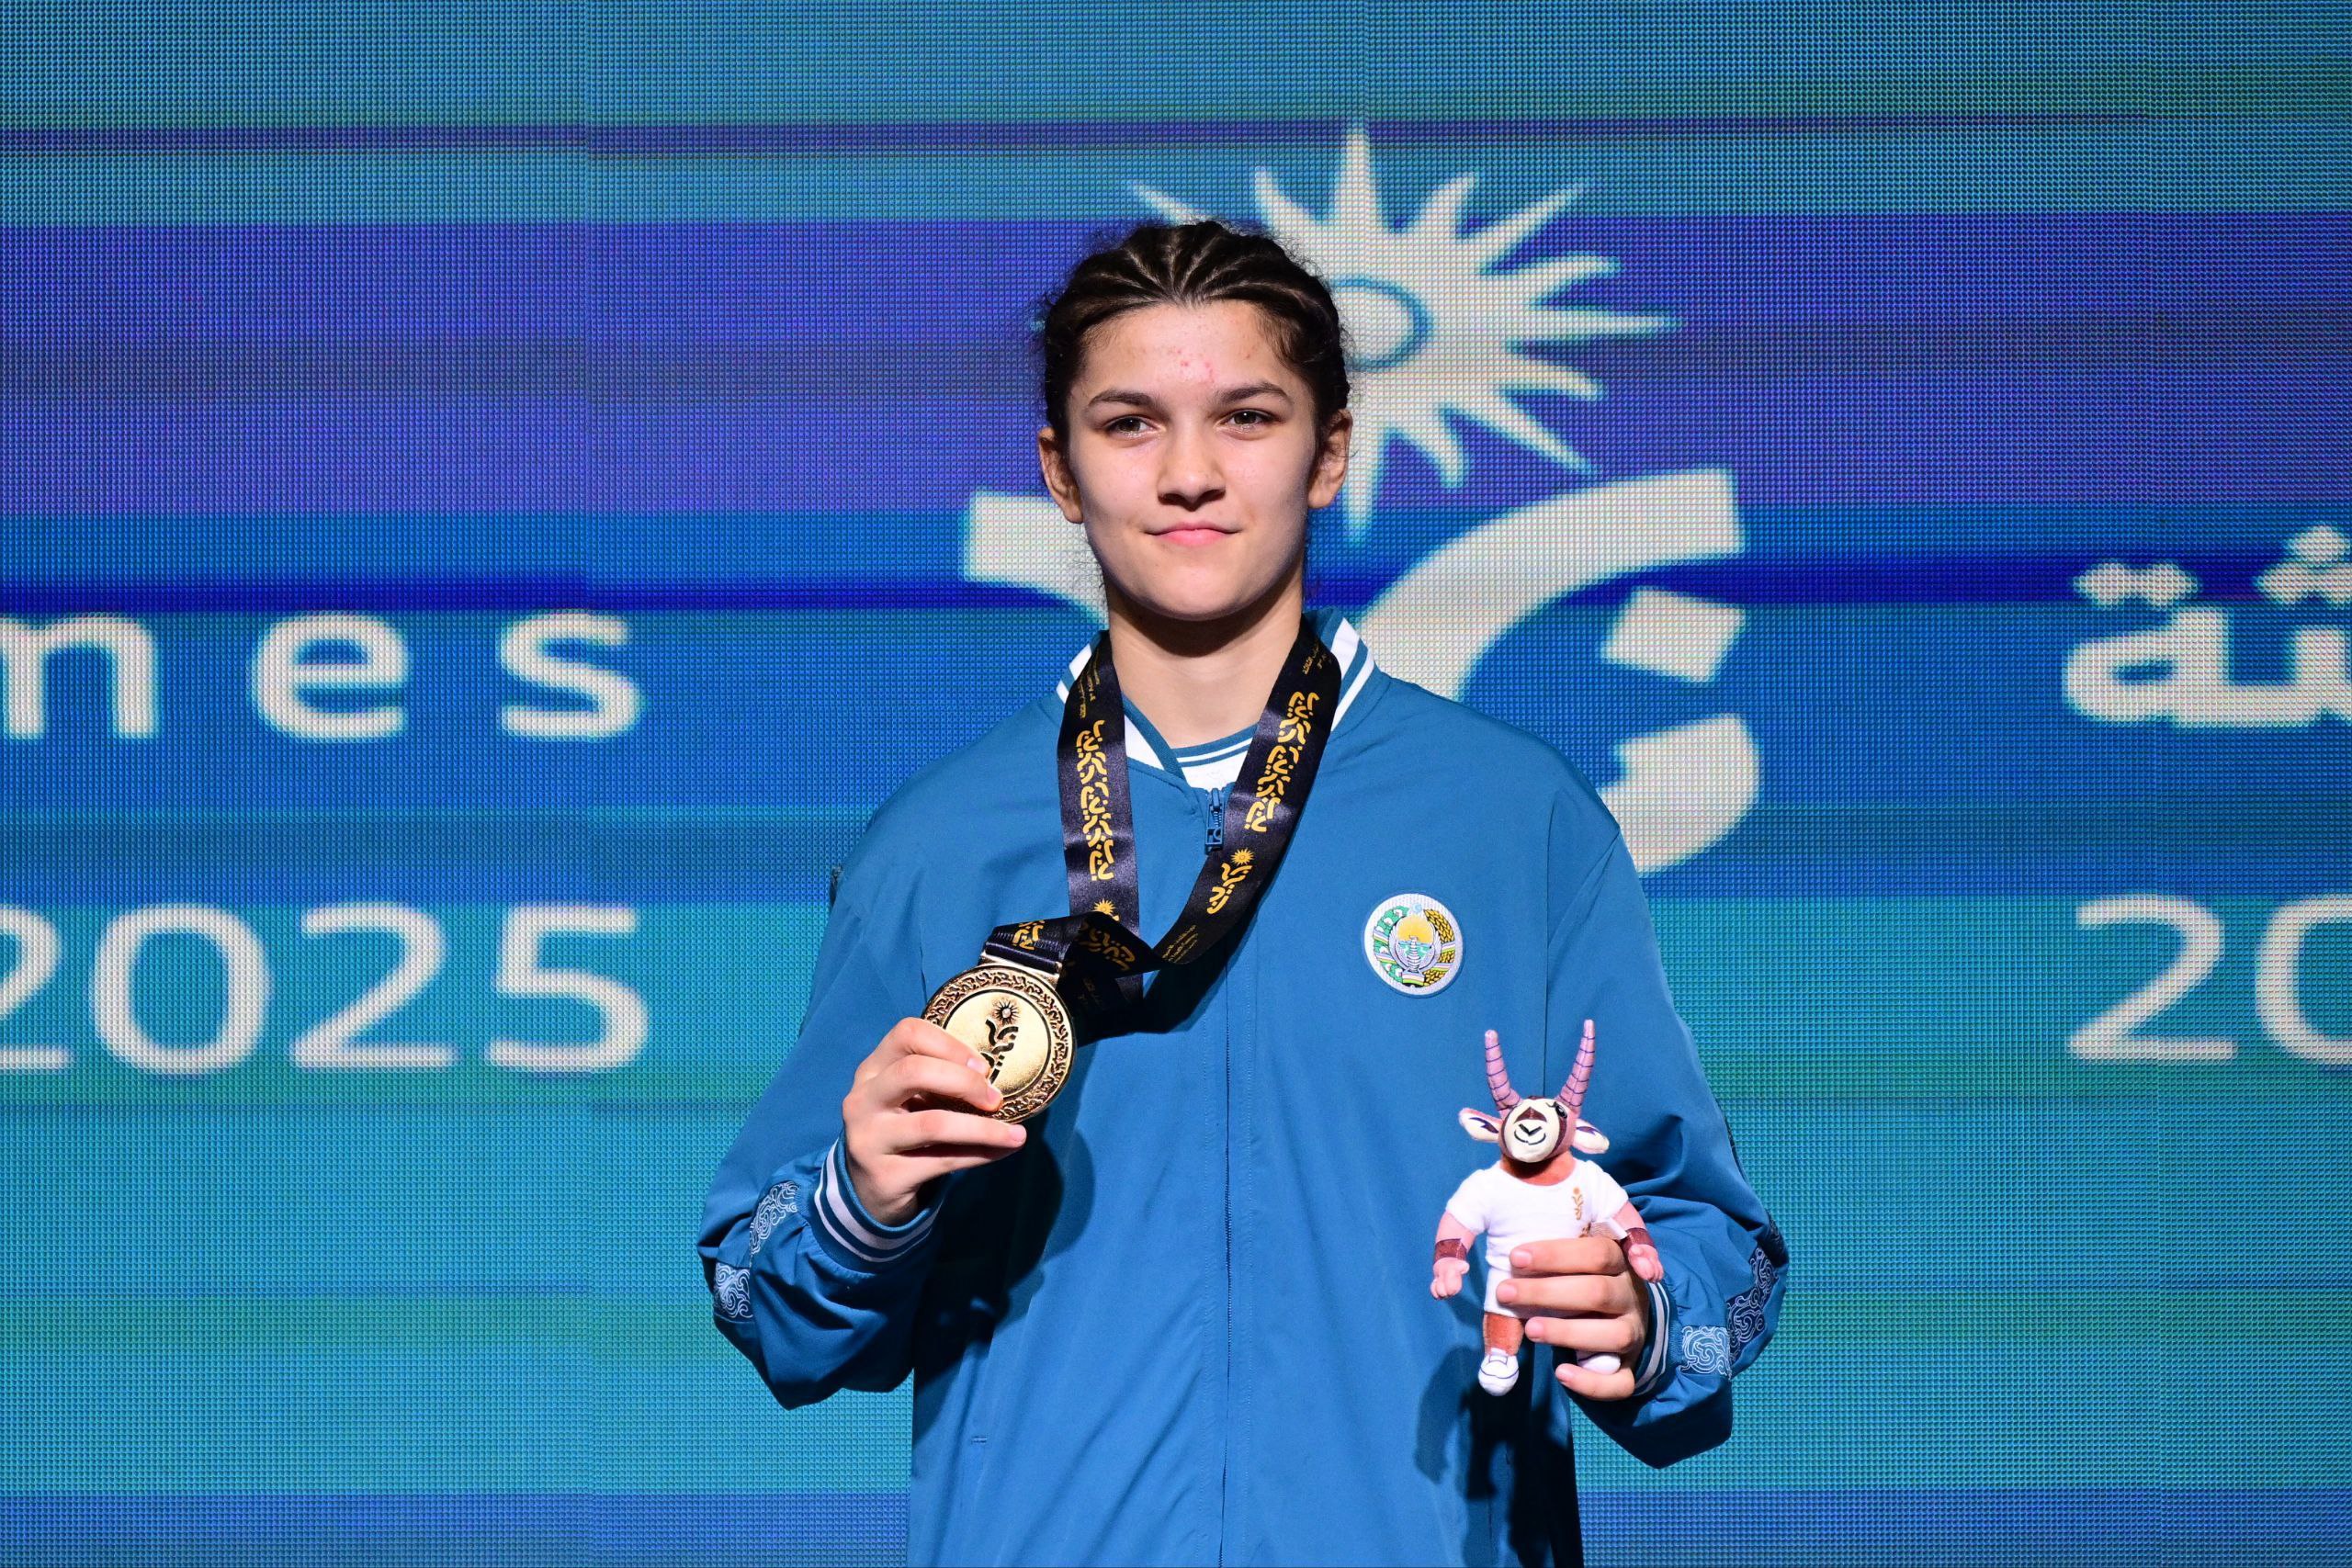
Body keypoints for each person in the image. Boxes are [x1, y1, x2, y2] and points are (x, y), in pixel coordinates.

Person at [700, 218, 1786, 1567]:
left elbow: (1711, 1238)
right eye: (1130, 424)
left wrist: (1638, 1306)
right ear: (1059, 470)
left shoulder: (1515, 821)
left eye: (1248, 417)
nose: (1190, 473)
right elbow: (767, 1299)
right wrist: (861, 1201)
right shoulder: (937, 846)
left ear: (1330, 451)